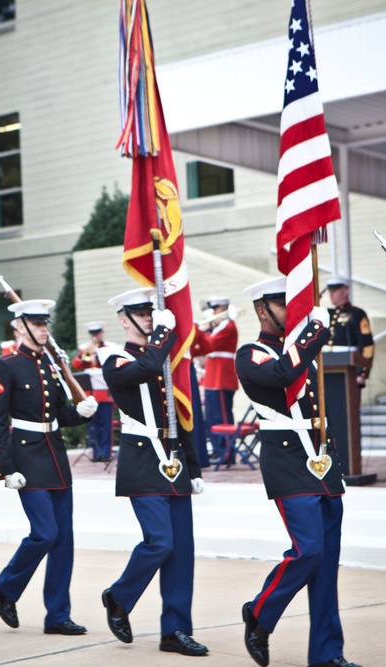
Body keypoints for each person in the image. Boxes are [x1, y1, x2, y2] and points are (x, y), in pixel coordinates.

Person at [234, 278, 359, 667]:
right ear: (262, 310)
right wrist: (314, 332)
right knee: (309, 550)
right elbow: (281, 374)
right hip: (288, 461)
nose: (296, 313)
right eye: (284, 305)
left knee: (327, 565)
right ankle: (259, 610)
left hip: (321, 462)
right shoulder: (250, 353)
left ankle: (326, 653)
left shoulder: (304, 349)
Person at [99, 287, 208, 657]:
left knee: (182, 552)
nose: (148, 317)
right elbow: (143, 368)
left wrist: (193, 467)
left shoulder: (165, 359)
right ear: (123, 319)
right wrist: (163, 333)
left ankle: (175, 630)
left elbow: (180, 415)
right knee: (159, 541)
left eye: (151, 312)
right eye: (140, 313)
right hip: (143, 460)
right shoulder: (113, 358)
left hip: (174, 460)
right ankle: (119, 595)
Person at [0, 299, 98, 635]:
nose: (44, 329)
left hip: (55, 458)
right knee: (45, 533)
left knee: (63, 539)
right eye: (37, 324)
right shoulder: (6, 365)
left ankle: (57, 615)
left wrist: (80, 412)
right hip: (26, 458)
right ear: (19, 327)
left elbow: (56, 414)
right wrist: (5, 468)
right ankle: (7, 586)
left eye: (45, 323)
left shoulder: (51, 364)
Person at [191, 296, 240, 459]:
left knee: (222, 417)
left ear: (222, 309)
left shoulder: (228, 326)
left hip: (222, 377)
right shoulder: (219, 326)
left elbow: (210, 343)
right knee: (212, 417)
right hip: (213, 377)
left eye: (215, 309)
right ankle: (218, 448)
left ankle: (226, 451)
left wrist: (203, 330)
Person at [72, 321, 116, 461]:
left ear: (102, 333)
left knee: (107, 427)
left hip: (105, 395)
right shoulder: (85, 348)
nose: (95, 336)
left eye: (97, 333)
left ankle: (106, 453)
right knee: (93, 426)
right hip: (90, 396)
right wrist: (85, 354)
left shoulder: (109, 348)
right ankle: (96, 453)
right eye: (92, 334)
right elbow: (76, 365)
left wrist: (99, 355)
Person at [324, 276, 374, 387]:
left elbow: (366, 345)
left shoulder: (356, 313)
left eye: (335, 291)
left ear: (346, 291)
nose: (331, 294)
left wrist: (362, 372)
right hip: (327, 368)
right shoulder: (327, 314)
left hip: (350, 368)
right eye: (330, 291)